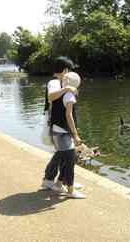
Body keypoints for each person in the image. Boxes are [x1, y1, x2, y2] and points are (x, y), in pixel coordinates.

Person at [41, 57, 78, 191]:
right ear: (65, 70)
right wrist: (67, 88)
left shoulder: (59, 82)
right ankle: (51, 180)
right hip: (56, 122)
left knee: (62, 153)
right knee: (65, 153)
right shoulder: (55, 82)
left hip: (58, 122)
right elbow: (51, 97)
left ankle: (55, 180)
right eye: (69, 70)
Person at [50, 71, 85, 198]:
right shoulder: (69, 94)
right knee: (70, 161)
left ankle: (59, 184)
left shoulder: (61, 91)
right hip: (62, 133)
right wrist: (75, 135)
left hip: (58, 130)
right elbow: (69, 115)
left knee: (68, 159)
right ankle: (70, 191)